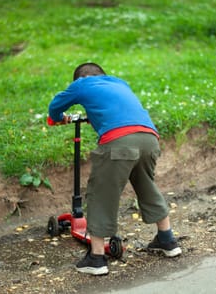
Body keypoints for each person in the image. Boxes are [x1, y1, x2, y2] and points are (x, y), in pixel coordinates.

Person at [48, 63, 181, 276]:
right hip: (149, 138)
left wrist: (57, 118)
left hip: (119, 142)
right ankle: (167, 240)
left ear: (79, 79)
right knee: (146, 185)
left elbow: (55, 106)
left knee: (101, 194)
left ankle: (97, 258)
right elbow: (117, 111)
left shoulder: (81, 85)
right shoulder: (119, 83)